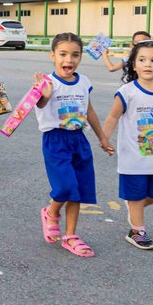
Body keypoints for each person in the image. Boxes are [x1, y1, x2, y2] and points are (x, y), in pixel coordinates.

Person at [36, 33, 114, 258]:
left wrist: (102, 137)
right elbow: (39, 104)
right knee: (65, 187)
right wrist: (45, 95)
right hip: (55, 140)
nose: (68, 60)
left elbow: (89, 111)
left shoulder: (84, 82)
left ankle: (70, 235)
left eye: (75, 55)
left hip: (79, 139)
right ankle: (51, 212)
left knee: (78, 189)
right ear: (53, 56)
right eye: (63, 54)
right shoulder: (47, 83)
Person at [102, 39, 153, 250]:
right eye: (142, 60)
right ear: (133, 65)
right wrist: (104, 138)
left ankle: (133, 206)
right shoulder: (127, 91)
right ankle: (137, 230)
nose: (148, 64)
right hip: (133, 156)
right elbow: (112, 117)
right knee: (136, 194)